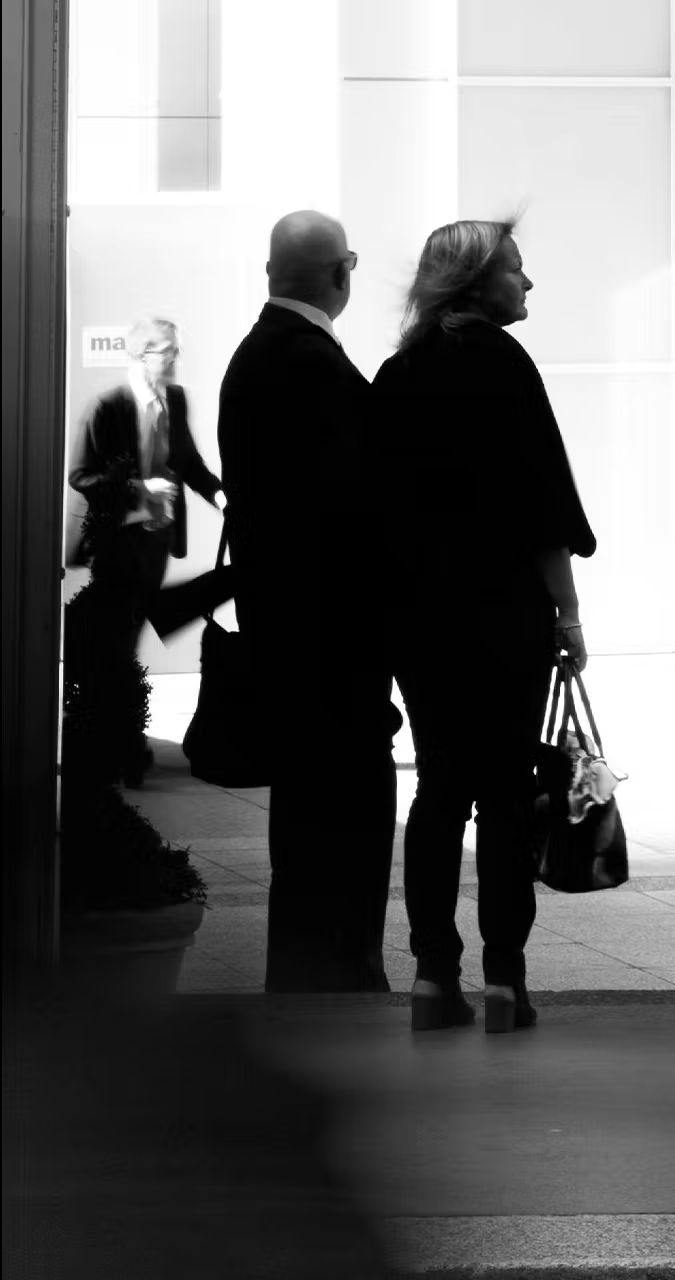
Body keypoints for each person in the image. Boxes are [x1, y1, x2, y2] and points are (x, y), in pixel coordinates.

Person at [372, 220, 594, 1035]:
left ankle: (433, 976)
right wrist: (568, 611)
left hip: (422, 618)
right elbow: (543, 501)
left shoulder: (400, 371)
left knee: (438, 791)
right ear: (477, 282)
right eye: (516, 271)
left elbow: (378, 508)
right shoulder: (503, 364)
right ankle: (506, 983)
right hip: (505, 612)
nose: (527, 284)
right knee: (505, 796)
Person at [218, 210, 401, 992]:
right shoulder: (310, 364)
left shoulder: (255, 356)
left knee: (302, 831)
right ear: (342, 273)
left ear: (269, 273)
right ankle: (340, 975)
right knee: (346, 821)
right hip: (332, 650)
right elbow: (350, 513)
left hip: (284, 638)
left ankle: (305, 974)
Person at [67, 316, 225, 785]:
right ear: (141, 356)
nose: (175, 359)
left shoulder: (174, 400)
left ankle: (119, 744)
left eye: (176, 350)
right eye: (166, 351)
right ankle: (124, 748)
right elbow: (82, 475)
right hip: (115, 542)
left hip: (156, 543)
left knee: (127, 639)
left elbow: (188, 462)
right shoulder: (108, 406)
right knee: (117, 643)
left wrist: (219, 495)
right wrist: (140, 488)